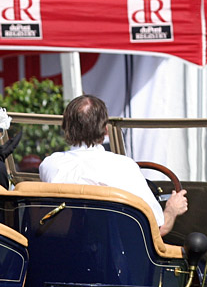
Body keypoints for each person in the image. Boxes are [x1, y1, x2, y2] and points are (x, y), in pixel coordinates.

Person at [39, 94, 188, 238]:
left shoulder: (50, 165)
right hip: (110, 256)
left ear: (66, 127)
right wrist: (172, 209)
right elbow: (157, 229)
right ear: (106, 129)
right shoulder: (122, 167)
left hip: (62, 250)